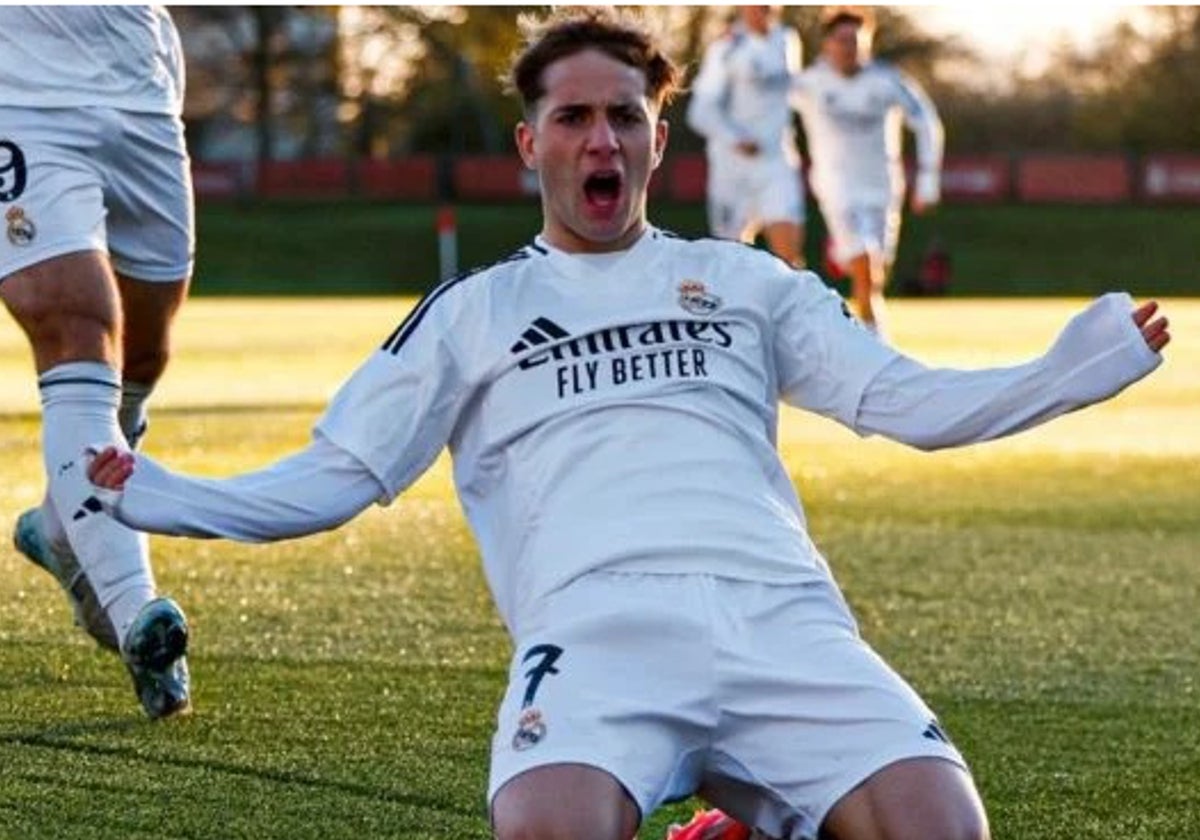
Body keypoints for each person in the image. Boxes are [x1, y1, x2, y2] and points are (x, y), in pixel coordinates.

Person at [83, 7, 1170, 839]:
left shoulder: (745, 281)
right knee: (546, 825)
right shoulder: (476, 311)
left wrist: (1070, 371)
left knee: (943, 825)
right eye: (574, 117)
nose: (601, 139)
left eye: (624, 117)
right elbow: (339, 476)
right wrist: (160, 491)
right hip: (598, 632)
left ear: (656, 140)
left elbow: (906, 403)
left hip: (783, 619)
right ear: (530, 142)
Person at [0, 6, 192, 719]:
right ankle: (135, 610)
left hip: (138, 85)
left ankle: (63, 524)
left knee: (145, 352)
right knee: (75, 324)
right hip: (18, 94)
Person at [790, 6, 944, 336]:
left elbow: (928, 123)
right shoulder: (808, 83)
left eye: (856, 41)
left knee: (875, 276)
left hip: (883, 188)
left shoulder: (887, 80)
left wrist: (928, 179)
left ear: (868, 43)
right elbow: (764, 104)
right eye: (842, 40)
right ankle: (877, 347)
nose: (849, 48)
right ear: (827, 45)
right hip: (837, 188)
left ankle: (867, 326)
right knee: (865, 264)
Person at [686, 6, 807, 268]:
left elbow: (794, 97)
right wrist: (735, 139)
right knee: (732, 261)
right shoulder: (726, 47)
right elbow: (700, 111)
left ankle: (789, 309)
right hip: (732, 169)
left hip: (777, 163)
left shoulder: (788, 40)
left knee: (789, 261)